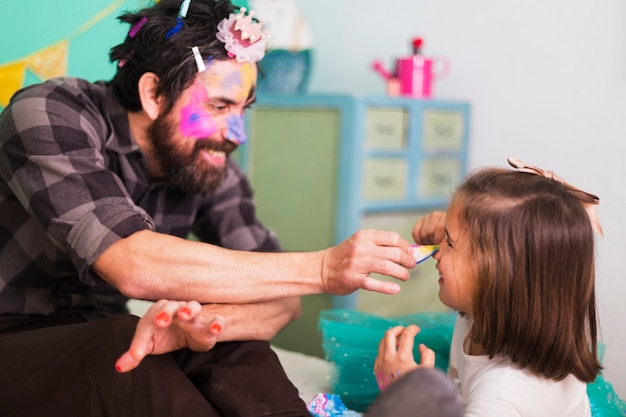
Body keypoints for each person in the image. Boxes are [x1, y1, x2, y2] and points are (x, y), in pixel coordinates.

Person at [0, 1, 419, 416]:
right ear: (153, 93)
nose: (237, 134)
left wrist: (207, 326)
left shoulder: (204, 162)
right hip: (11, 335)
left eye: (243, 109)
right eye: (219, 107)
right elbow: (130, 262)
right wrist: (326, 269)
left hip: (90, 330)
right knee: (120, 344)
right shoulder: (49, 112)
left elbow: (285, 299)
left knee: (227, 338)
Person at [373, 157, 603, 416]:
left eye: (448, 242)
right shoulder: (495, 306)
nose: (437, 252)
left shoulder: (502, 396)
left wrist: (408, 399)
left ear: (497, 276)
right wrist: (449, 227)